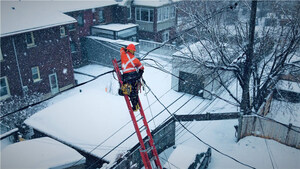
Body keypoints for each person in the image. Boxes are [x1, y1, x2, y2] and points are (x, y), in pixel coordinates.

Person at [120, 43, 144, 111]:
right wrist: (139, 74)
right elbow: (141, 68)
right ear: (133, 51)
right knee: (134, 92)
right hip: (134, 76)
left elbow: (121, 49)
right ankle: (135, 105)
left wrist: (124, 48)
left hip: (127, 77)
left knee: (127, 89)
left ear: (128, 50)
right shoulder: (135, 59)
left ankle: (125, 92)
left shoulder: (123, 55)